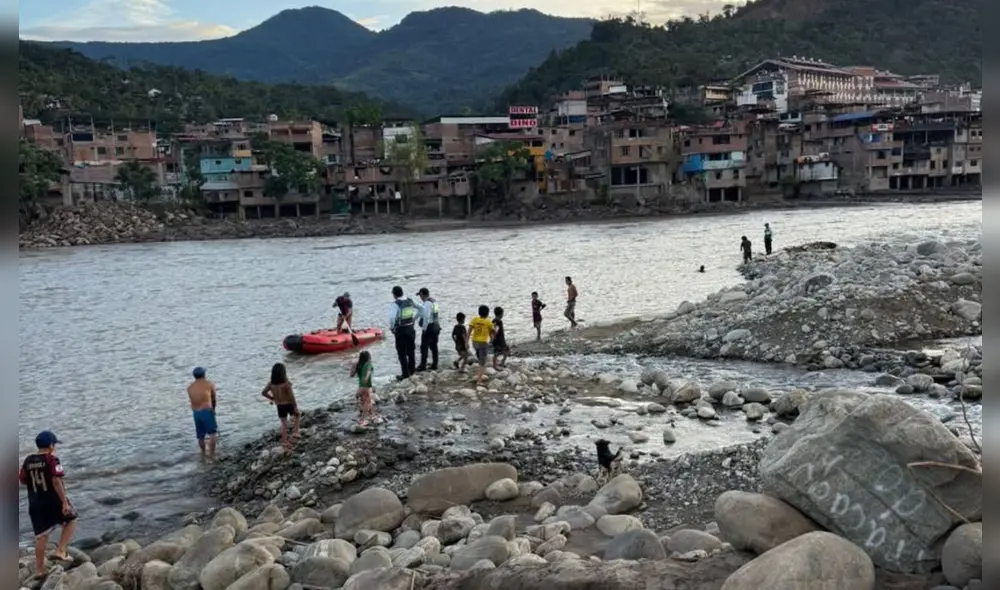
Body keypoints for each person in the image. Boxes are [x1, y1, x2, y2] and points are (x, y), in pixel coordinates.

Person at [19, 431, 76, 578]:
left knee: (41, 536)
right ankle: (61, 551)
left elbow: (23, 480)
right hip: (52, 500)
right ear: (51, 446)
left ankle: (39, 570)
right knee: (71, 520)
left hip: (35, 503)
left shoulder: (28, 461)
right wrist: (64, 502)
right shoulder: (52, 460)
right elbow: (57, 481)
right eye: (54, 444)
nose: (54, 447)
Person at [260, 363, 300, 449]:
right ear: (283, 373)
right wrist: (295, 406)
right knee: (297, 415)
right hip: (288, 404)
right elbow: (291, 396)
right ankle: (296, 432)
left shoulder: (271, 383)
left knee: (283, 424)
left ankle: (284, 442)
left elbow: (263, 393)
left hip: (280, 406)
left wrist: (272, 398)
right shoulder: (286, 384)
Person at [388, 286, 419, 380]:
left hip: (401, 330)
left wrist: (392, 328)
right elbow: (421, 308)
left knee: (401, 353)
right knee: (411, 351)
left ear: (394, 294)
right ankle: (412, 371)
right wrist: (414, 319)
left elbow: (392, 318)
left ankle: (405, 374)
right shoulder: (410, 301)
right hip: (410, 329)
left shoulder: (395, 304)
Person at [186, 366, 218, 459]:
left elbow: (192, 400)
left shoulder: (189, 387)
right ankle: (212, 455)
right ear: (204, 374)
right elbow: (214, 399)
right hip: (207, 411)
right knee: (212, 433)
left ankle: (203, 454)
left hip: (196, 413)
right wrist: (214, 409)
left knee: (200, 436)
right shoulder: (209, 384)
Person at [467, 305, 495, 386]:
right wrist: (492, 340)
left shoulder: (474, 319)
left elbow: (469, 331)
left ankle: (479, 371)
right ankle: (479, 380)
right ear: (487, 314)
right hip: (483, 343)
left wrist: (466, 341)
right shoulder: (488, 322)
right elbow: (492, 332)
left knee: (480, 358)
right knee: (483, 362)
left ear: (479, 312)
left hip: (474, 342)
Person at [416, 287, 441, 372]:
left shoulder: (427, 303)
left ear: (422, 294)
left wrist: (424, 328)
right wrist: (413, 320)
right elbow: (422, 312)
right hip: (436, 325)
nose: (420, 297)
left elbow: (426, 317)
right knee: (434, 346)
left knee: (424, 346)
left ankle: (422, 365)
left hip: (429, 327)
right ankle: (435, 364)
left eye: (420, 295)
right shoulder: (434, 301)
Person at [349, 350, 377, 426]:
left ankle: (372, 416)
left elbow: (351, 375)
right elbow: (368, 371)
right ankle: (362, 420)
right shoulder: (369, 364)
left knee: (368, 402)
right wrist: (366, 378)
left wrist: (352, 366)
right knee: (367, 403)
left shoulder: (358, 365)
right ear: (369, 357)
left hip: (360, 387)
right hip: (366, 386)